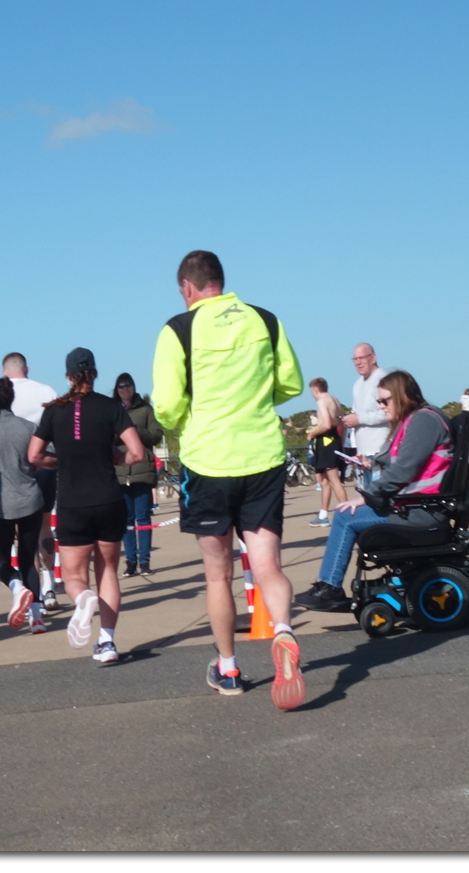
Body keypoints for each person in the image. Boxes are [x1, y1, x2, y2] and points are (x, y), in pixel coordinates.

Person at [151, 250, 306, 710]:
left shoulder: (178, 329)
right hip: (261, 455)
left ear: (186, 288)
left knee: (217, 576)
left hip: (209, 461)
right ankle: (282, 629)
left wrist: (182, 422)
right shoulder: (264, 320)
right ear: (221, 280)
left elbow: (166, 404)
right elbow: (290, 384)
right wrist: (257, 399)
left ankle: (230, 667)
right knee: (268, 566)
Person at [296, 370, 454, 612]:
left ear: (402, 396)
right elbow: (406, 463)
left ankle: (330, 588)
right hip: (416, 506)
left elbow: (403, 470)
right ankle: (329, 587)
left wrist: (367, 497)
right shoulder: (417, 419)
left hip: (422, 510)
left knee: (344, 516)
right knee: (346, 512)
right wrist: (370, 464)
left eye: (385, 400)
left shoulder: (423, 421)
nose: (381, 406)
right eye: (379, 401)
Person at [28, 348, 144, 663]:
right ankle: (107, 643)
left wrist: (60, 460)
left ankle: (83, 600)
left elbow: (34, 456)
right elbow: (137, 452)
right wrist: (117, 457)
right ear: (94, 373)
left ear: (68, 375)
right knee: (108, 571)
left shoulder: (54, 411)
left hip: (72, 503)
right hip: (109, 499)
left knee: (74, 576)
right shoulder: (111, 407)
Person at [0, 352, 61, 611]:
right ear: (26, 368)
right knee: (43, 529)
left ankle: (22, 590)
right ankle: (49, 587)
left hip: (4, 487)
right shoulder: (46, 390)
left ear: (4, 373)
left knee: (10, 554)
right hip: (39, 467)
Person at [0, 378, 49, 634]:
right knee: (30, 560)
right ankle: (37, 617)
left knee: (1, 561)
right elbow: (41, 457)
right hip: (30, 498)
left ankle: (17, 588)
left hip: (1, 503)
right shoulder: (29, 427)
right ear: (12, 399)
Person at [113, 372, 163, 577]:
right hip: (120, 472)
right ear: (117, 390)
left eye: (129, 385)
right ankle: (130, 562)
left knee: (143, 517)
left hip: (142, 472)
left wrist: (135, 431)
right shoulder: (113, 410)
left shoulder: (145, 409)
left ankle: (145, 561)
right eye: (121, 386)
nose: (125, 389)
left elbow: (156, 436)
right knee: (126, 519)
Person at [340, 343, 389, 492]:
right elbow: (357, 412)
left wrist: (359, 419)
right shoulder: (357, 385)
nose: (358, 362)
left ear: (373, 358)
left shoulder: (384, 379)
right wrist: (349, 419)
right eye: (354, 359)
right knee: (368, 499)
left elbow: (389, 413)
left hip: (380, 452)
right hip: (363, 454)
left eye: (361, 358)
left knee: (381, 499)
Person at [305, 377, 347, 528]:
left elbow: (327, 424)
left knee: (333, 480)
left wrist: (313, 434)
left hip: (326, 440)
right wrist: (341, 442)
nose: (311, 395)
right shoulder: (334, 399)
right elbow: (343, 422)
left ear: (316, 390)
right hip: (334, 439)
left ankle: (347, 513)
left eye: (311, 391)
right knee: (324, 480)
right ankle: (323, 515)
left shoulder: (322, 400)